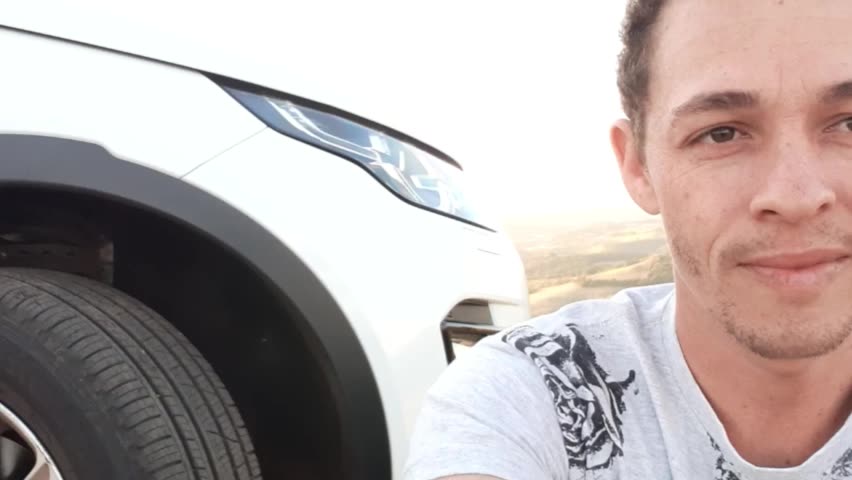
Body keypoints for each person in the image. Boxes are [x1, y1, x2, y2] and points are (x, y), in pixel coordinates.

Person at [403, 0, 852, 478]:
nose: (796, 196)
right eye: (721, 134)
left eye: (849, 124)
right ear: (638, 165)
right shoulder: (530, 390)